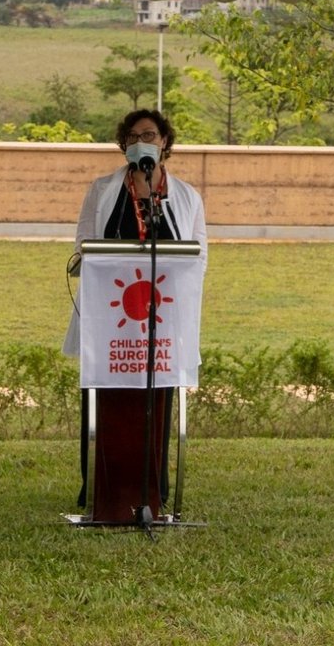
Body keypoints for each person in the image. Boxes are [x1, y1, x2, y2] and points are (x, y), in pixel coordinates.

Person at [63, 108, 207, 515]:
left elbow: (198, 260)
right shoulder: (102, 189)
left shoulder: (186, 197)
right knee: (108, 401)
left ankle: (152, 488)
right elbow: (83, 247)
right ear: (124, 145)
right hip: (111, 323)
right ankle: (100, 489)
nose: (142, 141)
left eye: (150, 134)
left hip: (162, 319)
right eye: (133, 135)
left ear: (165, 143)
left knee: (155, 403)